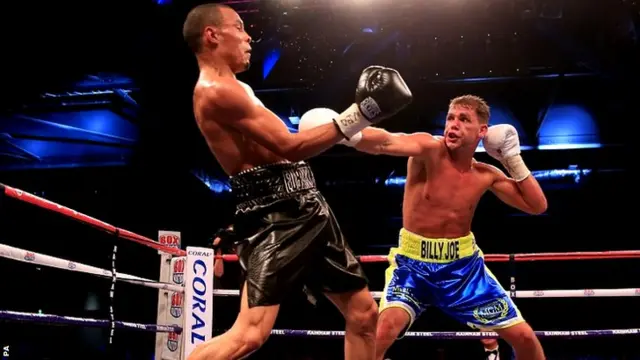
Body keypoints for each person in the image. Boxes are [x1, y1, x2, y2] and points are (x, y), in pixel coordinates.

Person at [181, 3, 413, 360]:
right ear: (212, 35)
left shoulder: (235, 87)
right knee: (250, 334)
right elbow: (290, 146)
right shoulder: (216, 91)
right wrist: (361, 113)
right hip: (276, 214)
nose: (248, 37)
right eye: (239, 27)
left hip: (305, 204)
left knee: (364, 314)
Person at [299, 95, 547, 360]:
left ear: (482, 131)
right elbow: (385, 141)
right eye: (451, 117)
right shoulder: (429, 148)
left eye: (464, 120)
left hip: (463, 270)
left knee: (524, 338)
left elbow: (536, 205)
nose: (453, 125)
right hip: (413, 266)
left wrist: (512, 158)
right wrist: (342, 129)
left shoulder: (485, 174)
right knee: (381, 333)